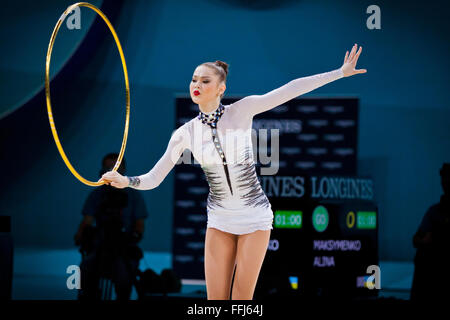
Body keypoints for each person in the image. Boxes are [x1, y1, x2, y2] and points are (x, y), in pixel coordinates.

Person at [100, 43, 366, 300]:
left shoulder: (242, 110)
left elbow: (290, 89)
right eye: (194, 80)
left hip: (254, 217)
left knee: (241, 299)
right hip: (220, 220)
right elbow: (154, 178)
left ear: (221, 88)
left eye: (205, 81)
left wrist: (339, 73)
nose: (197, 86)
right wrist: (127, 181)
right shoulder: (185, 134)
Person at [75, 153, 148, 300]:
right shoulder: (97, 194)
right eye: (108, 167)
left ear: (124, 169)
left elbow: (140, 224)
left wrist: (134, 236)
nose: (113, 171)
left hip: (123, 246)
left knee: (123, 275)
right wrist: (83, 234)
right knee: (85, 270)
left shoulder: (133, 196)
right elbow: (87, 221)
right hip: (100, 245)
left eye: (116, 167)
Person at [411, 163, 450, 301]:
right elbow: (416, 239)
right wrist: (424, 241)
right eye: (444, 179)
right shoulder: (434, 211)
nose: (444, 183)